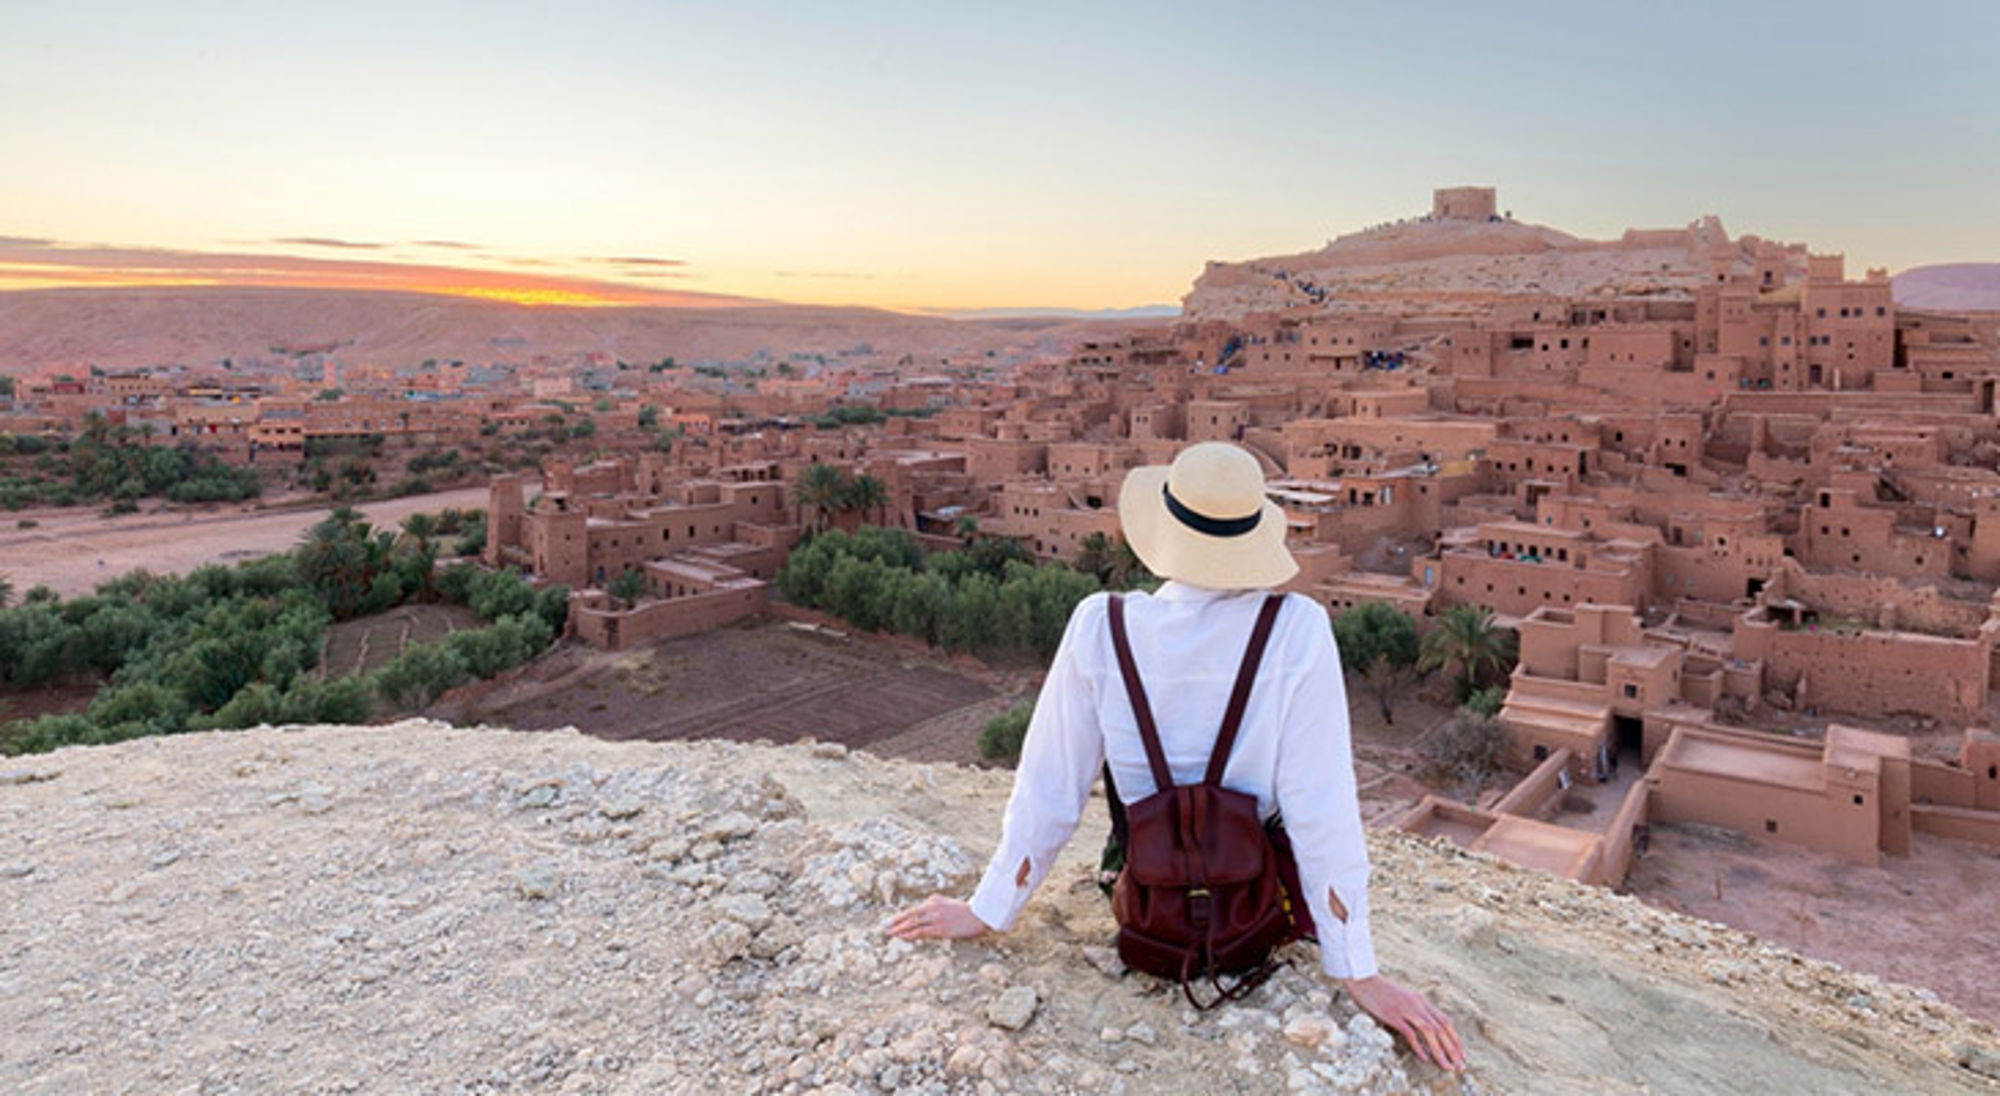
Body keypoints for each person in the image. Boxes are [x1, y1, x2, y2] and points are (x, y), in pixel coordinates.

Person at [888, 442, 1466, 1072]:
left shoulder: (1099, 625)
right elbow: (1319, 806)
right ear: (1254, 534)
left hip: (1145, 906)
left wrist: (988, 909)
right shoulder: (1297, 627)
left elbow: (1049, 789)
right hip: (1256, 915)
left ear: (1165, 530)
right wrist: (1358, 969)